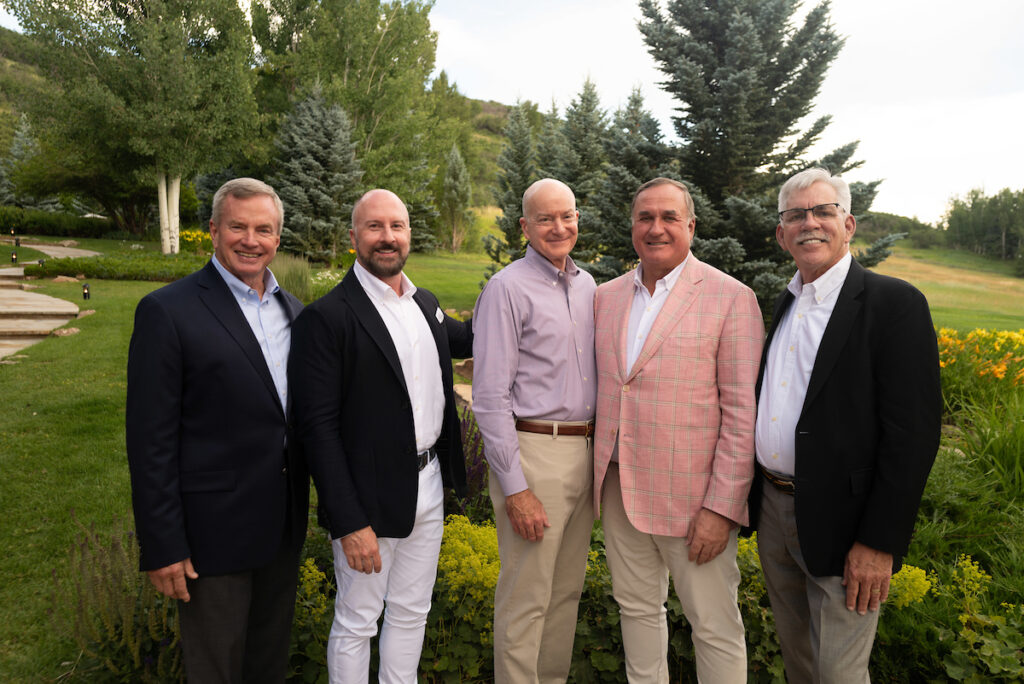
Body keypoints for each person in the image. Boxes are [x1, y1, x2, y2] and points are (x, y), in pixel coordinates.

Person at [748, 167, 941, 682]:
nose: (809, 223)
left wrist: (879, 543)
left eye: (823, 212)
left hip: (848, 525)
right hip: (773, 511)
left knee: (839, 674)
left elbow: (914, 434)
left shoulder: (894, 305)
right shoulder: (786, 301)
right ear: (781, 233)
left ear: (848, 224)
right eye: (795, 215)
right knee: (800, 664)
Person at [126, 177, 307, 682]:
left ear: (277, 239)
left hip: (282, 528)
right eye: (238, 227)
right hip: (212, 534)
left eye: (264, 230)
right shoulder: (168, 311)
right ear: (212, 230)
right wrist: (163, 543)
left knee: (266, 665)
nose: (251, 240)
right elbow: (150, 441)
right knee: (216, 670)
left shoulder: (294, 313)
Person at [288, 189, 472, 683]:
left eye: (397, 226)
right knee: (357, 620)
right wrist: (349, 521)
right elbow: (317, 430)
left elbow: (478, 338)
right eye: (374, 227)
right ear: (354, 237)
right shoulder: (326, 319)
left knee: (412, 612)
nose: (387, 237)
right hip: (367, 498)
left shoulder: (425, 304)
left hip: (427, 484)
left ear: (410, 234)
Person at [593, 177, 764, 682]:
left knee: (713, 626)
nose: (656, 227)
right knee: (637, 613)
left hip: (695, 503)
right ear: (632, 227)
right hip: (620, 490)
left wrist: (721, 507)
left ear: (691, 226)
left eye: (669, 217)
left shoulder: (732, 298)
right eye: (645, 217)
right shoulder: (605, 297)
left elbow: (740, 414)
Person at [472, 178, 597, 683]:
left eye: (566, 216)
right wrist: (515, 487)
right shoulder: (506, 288)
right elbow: (488, 397)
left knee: (564, 594)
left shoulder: (589, 285)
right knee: (527, 598)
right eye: (545, 219)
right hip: (534, 454)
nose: (558, 227)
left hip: (584, 450)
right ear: (524, 226)